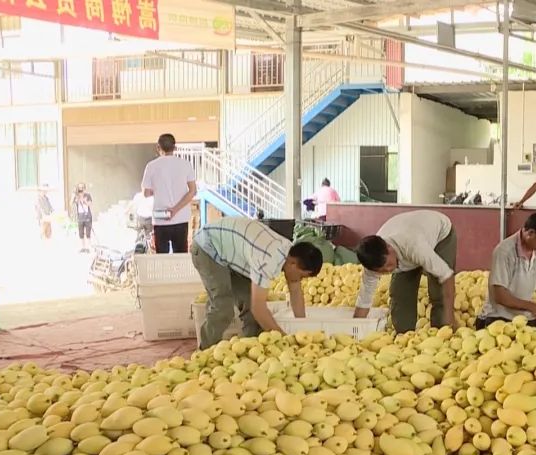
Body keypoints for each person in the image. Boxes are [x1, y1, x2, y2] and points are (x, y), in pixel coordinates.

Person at [191, 217, 324, 349]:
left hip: (230, 253)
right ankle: (204, 355)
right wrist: (284, 340)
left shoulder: (288, 252)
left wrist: (301, 332)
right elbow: (259, 309)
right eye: (301, 276)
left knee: (249, 303)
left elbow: (295, 292)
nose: (299, 280)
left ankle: (250, 350)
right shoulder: (268, 260)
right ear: (293, 264)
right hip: (208, 247)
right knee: (223, 306)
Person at [354, 210, 457, 333]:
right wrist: (355, 328)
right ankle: (404, 334)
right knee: (400, 294)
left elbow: (446, 276)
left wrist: (449, 316)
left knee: (438, 291)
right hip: (411, 238)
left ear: (389, 247)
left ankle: (443, 332)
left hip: (441, 235)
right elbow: (364, 299)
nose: (388, 270)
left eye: (388, 265)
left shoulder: (414, 246)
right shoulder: (372, 262)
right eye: (382, 271)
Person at [477, 211, 536, 330]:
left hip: (523, 316)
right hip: (499, 318)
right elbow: (499, 295)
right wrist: (532, 307)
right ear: (531, 233)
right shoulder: (504, 252)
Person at [142, 133, 197, 254]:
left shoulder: (151, 166)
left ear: (158, 148)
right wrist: (175, 210)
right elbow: (193, 191)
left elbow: (146, 193)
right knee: (180, 256)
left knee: (162, 258)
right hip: (181, 218)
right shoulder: (185, 164)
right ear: (175, 147)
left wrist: (156, 189)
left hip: (160, 218)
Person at [72, 183, 94, 252]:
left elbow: (90, 204)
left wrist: (84, 201)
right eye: (79, 188)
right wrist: (73, 196)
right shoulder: (76, 196)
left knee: (88, 233)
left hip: (87, 215)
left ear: (84, 189)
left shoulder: (88, 195)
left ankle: (89, 247)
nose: (80, 189)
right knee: (81, 233)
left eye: (82, 188)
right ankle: (83, 247)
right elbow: (71, 203)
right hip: (80, 216)